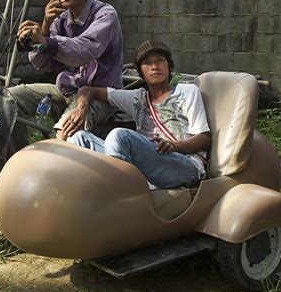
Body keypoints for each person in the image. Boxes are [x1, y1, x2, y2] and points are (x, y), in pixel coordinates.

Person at [65, 40, 211, 189]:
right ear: (141, 72)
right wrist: (81, 107)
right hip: (147, 165)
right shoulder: (137, 98)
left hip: (185, 165)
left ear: (169, 66)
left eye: (160, 60)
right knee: (79, 138)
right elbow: (88, 90)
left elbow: (204, 138)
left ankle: (119, 197)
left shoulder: (186, 91)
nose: (155, 67)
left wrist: (175, 146)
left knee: (119, 136)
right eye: (147, 63)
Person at [12, 0, 123, 143]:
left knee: (65, 131)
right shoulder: (60, 19)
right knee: (6, 99)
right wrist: (45, 25)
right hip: (65, 89)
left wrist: (46, 41)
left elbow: (84, 50)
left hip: (99, 95)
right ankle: (15, 159)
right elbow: (43, 64)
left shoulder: (105, 15)